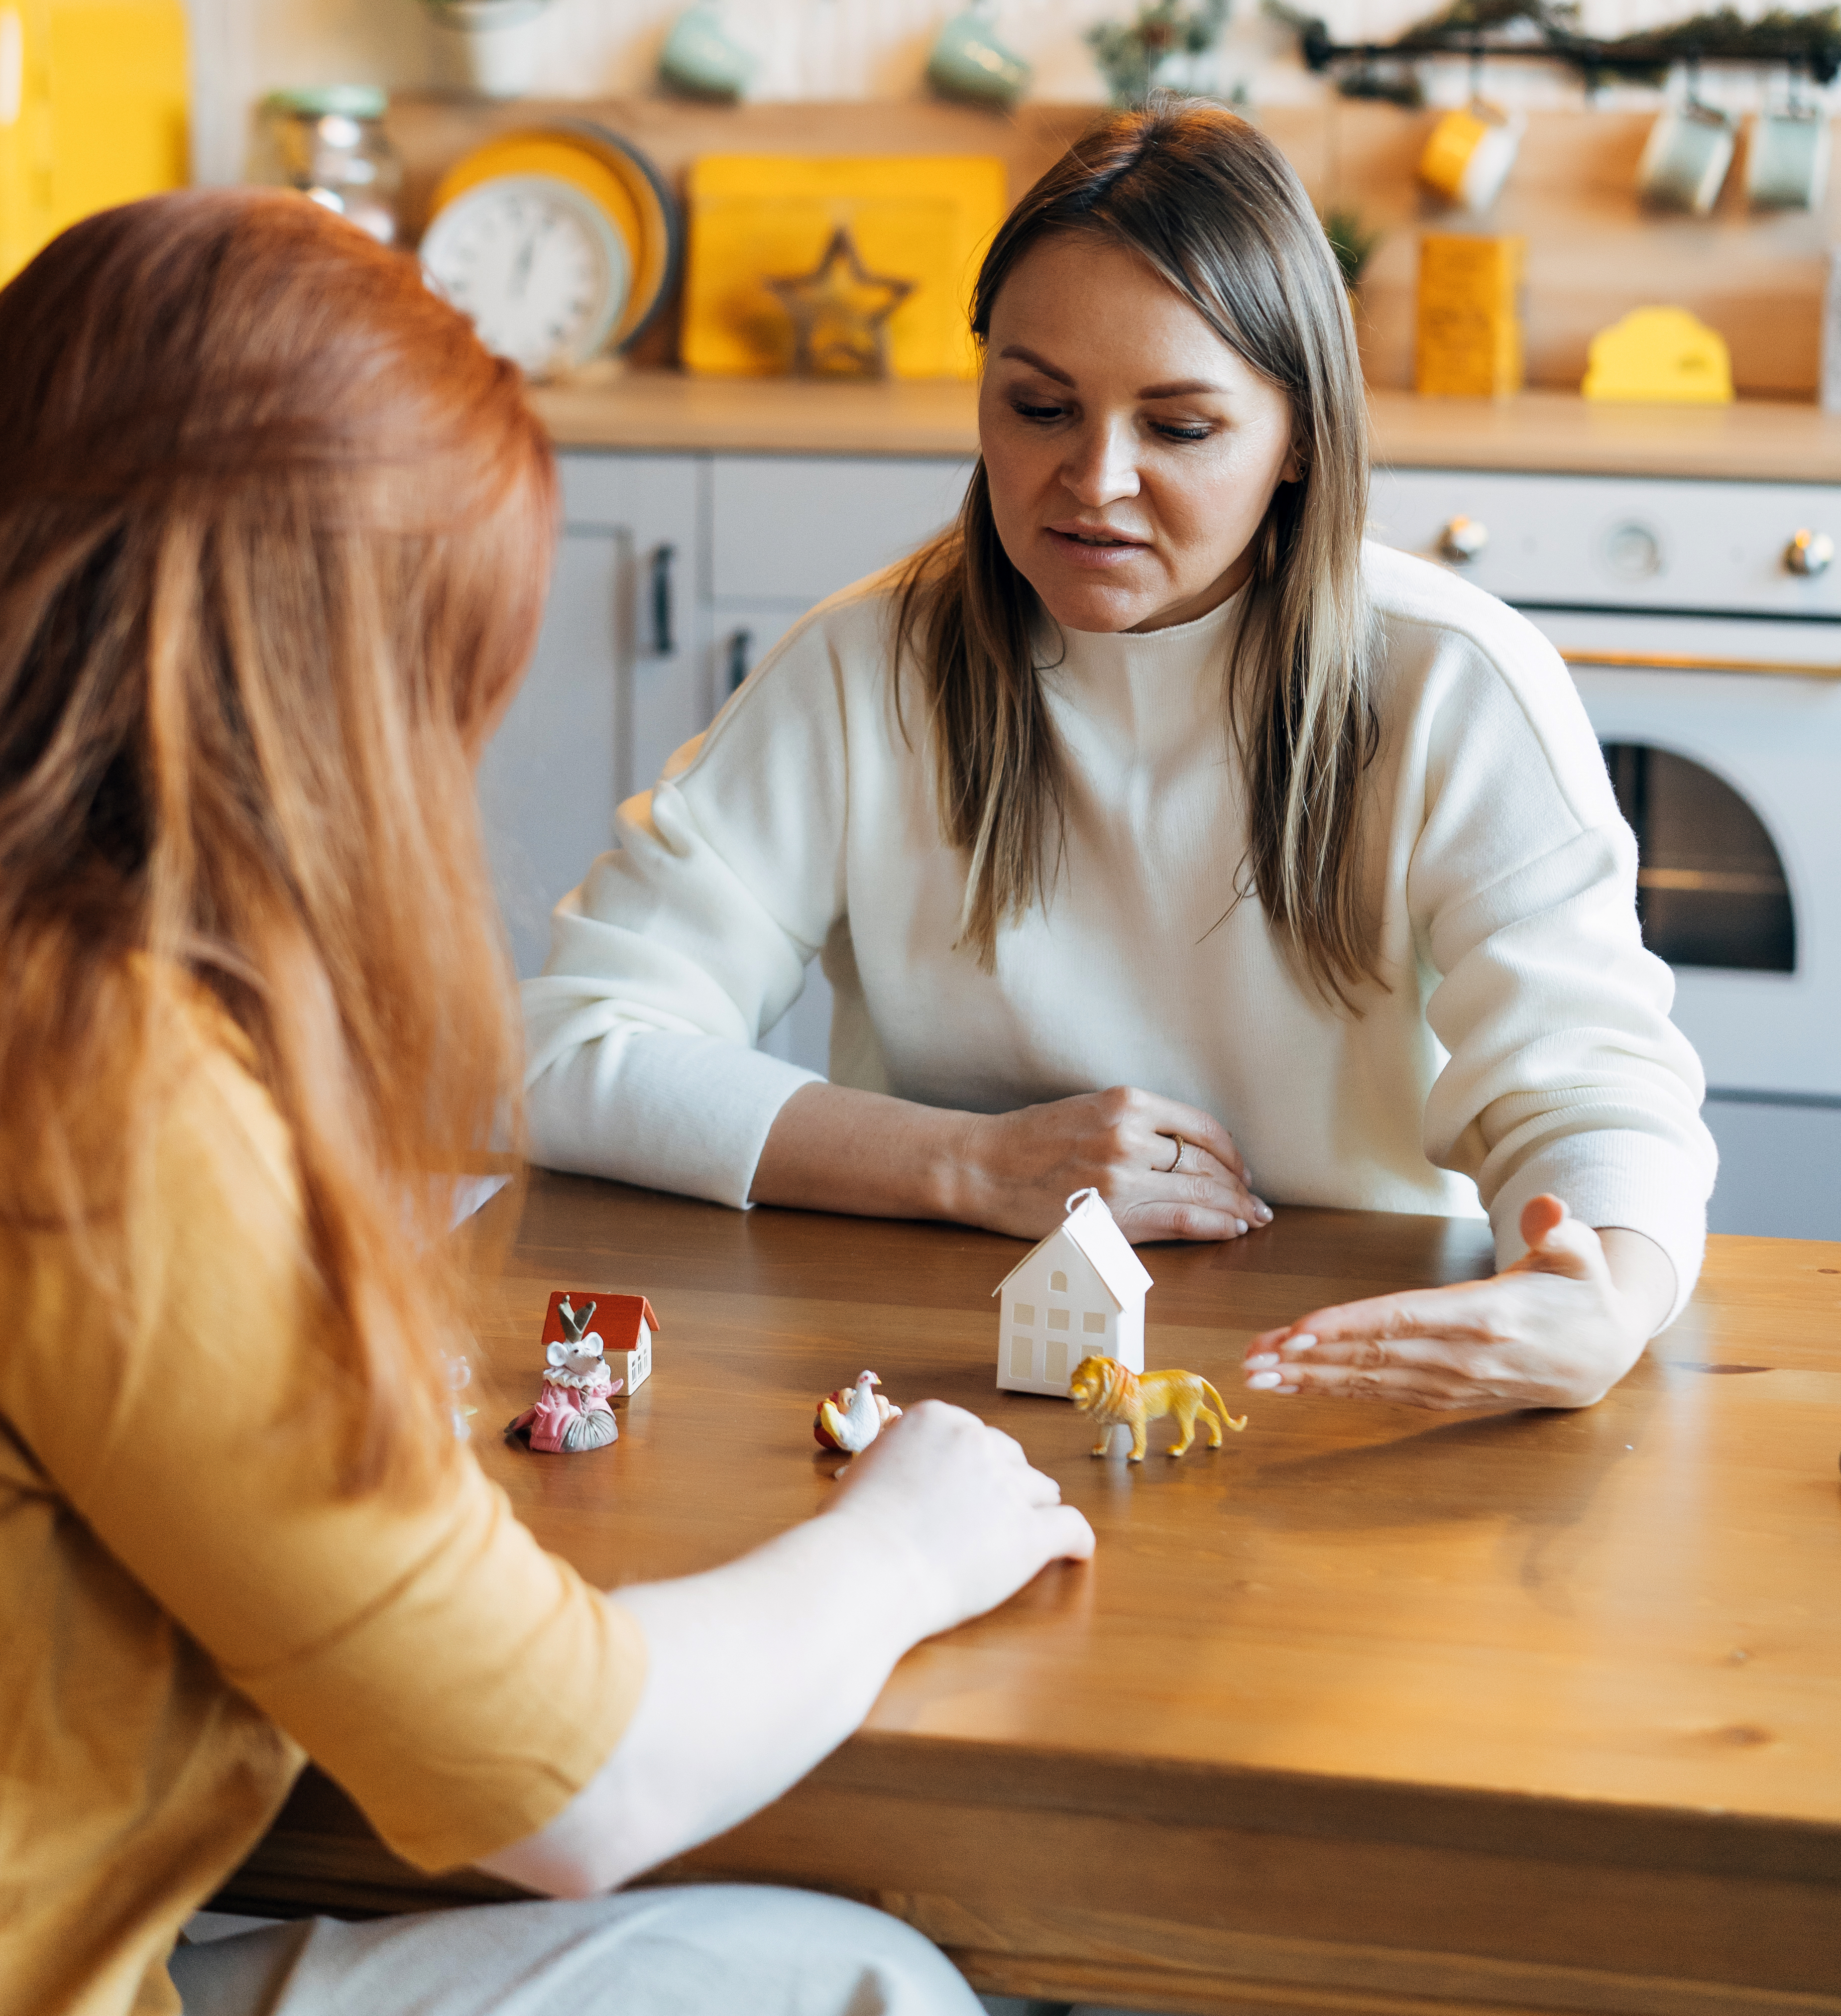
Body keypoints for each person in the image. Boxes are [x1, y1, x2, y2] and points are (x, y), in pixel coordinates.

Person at [0, 191, 1092, 2016]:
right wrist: (901, 1546)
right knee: (854, 1985)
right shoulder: (82, 1070)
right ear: (322, 680)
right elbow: (577, 1784)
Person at [523, 105, 1716, 1415]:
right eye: (1039, 407)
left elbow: (1599, 1084)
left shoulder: (1451, 684)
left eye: (1180, 428)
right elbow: (566, 1050)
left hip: (1341, 1370)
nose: (1093, 481)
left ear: (1301, 437)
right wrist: (968, 1166)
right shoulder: (866, 665)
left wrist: (1603, 1295)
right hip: (948, 1378)